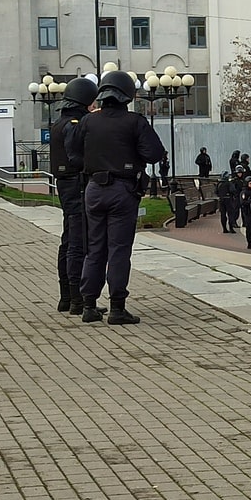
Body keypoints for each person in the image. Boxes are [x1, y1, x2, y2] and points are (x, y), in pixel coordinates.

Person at [69, 70, 164, 325]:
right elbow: (154, 153)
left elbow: (73, 153)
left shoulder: (89, 121)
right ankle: (117, 308)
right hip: (122, 190)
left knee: (94, 249)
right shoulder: (135, 122)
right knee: (119, 250)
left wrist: (92, 164)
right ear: (127, 96)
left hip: (93, 190)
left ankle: (89, 305)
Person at [50, 76, 99, 316]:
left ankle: (66, 297)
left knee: (69, 238)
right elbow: (75, 157)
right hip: (76, 183)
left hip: (65, 183)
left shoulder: (59, 122)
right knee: (78, 242)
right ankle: (77, 297)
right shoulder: (74, 123)